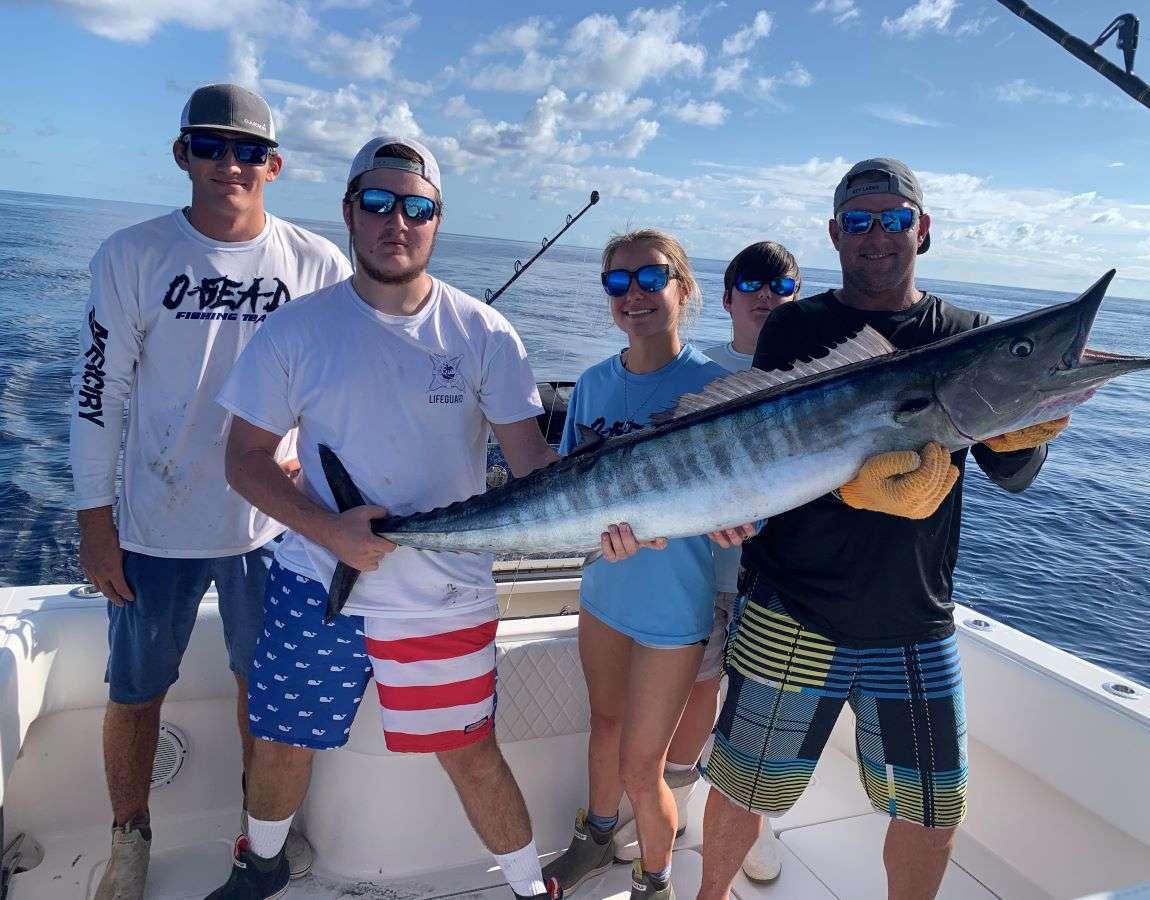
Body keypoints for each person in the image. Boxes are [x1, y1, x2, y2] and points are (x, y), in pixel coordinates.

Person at [210, 136, 649, 899]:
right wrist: (330, 531)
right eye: (377, 203)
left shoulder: (483, 332)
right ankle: (264, 866)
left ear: (438, 219)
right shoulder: (295, 330)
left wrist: (607, 522)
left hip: (444, 594)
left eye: (417, 207)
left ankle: (522, 887)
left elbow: (533, 474)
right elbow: (243, 459)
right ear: (349, 212)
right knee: (281, 741)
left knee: (471, 750)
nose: (396, 222)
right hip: (316, 579)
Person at [696, 159, 1070, 900]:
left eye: (894, 219)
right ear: (835, 233)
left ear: (922, 231)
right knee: (743, 789)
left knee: (934, 810)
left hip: (916, 616)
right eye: (859, 221)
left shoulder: (966, 334)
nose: (877, 236)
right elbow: (767, 461)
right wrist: (736, 512)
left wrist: (1026, 428)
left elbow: (1016, 478)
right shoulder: (798, 325)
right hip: (792, 604)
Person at [69, 83, 351, 899]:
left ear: (275, 163)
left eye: (249, 149)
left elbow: (344, 383)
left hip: (273, 529)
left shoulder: (317, 262)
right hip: (155, 527)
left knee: (262, 695)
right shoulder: (131, 255)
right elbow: (100, 393)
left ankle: (255, 831)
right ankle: (129, 840)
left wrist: (312, 457)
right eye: (211, 145)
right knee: (134, 691)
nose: (230, 163)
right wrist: (96, 521)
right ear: (181, 153)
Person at [542, 229, 753, 900]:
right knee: (602, 727)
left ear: (684, 290)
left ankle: (652, 881)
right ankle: (595, 837)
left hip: (675, 609)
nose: (633, 294)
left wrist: (744, 526)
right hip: (605, 591)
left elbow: (753, 500)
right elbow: (570, 493)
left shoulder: (719, 386)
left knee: (643, 765)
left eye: (650, 278)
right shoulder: (594, 386)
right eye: (616, 282)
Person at [609, 240, 799, 882]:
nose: (766, 295)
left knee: (758, 715)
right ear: (723, 297)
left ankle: (759, 825)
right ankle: (680, 807)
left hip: (784, 583)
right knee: (700, 700)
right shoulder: (704, 373)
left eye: (782, 284)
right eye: (751, 283)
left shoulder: (817, 368)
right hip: (713, 578)